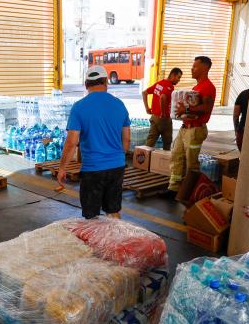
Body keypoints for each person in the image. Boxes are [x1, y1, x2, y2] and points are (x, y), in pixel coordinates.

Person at [58, 65, 131, 219]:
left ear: (86, 85)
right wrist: (118, 156)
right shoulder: (119, 104)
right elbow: (126, 139)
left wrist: (62, 168)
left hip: (93, 169)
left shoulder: (79, 107)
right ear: (106, 82)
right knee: (113, 211)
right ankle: (118, 241)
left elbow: (71, 142)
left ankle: (96, 243)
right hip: (117, 167)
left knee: (91, 216)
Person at [168, 56, 216, 196]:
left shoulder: (207, 87)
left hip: (195, 130)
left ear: (205, 68)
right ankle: (174, 188)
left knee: (191, 163)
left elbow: (206, 107)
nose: (191, 69)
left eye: (195, 66)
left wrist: (186, 110)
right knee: (176, 156)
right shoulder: (197, 87)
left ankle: (190, 193)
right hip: (185, 128)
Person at [142, 67, 182, 150]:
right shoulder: (169, 86)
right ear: (173, 75)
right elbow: (163, 97)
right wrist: (163, 113)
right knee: (167, 142)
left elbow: (144, 92)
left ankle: (142, 160)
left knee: (150, 142)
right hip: (164, 119)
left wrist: (147, 108)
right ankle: (164, 161)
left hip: (154, 117)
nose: (179, 80)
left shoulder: (159, 84)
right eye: (178, 77)